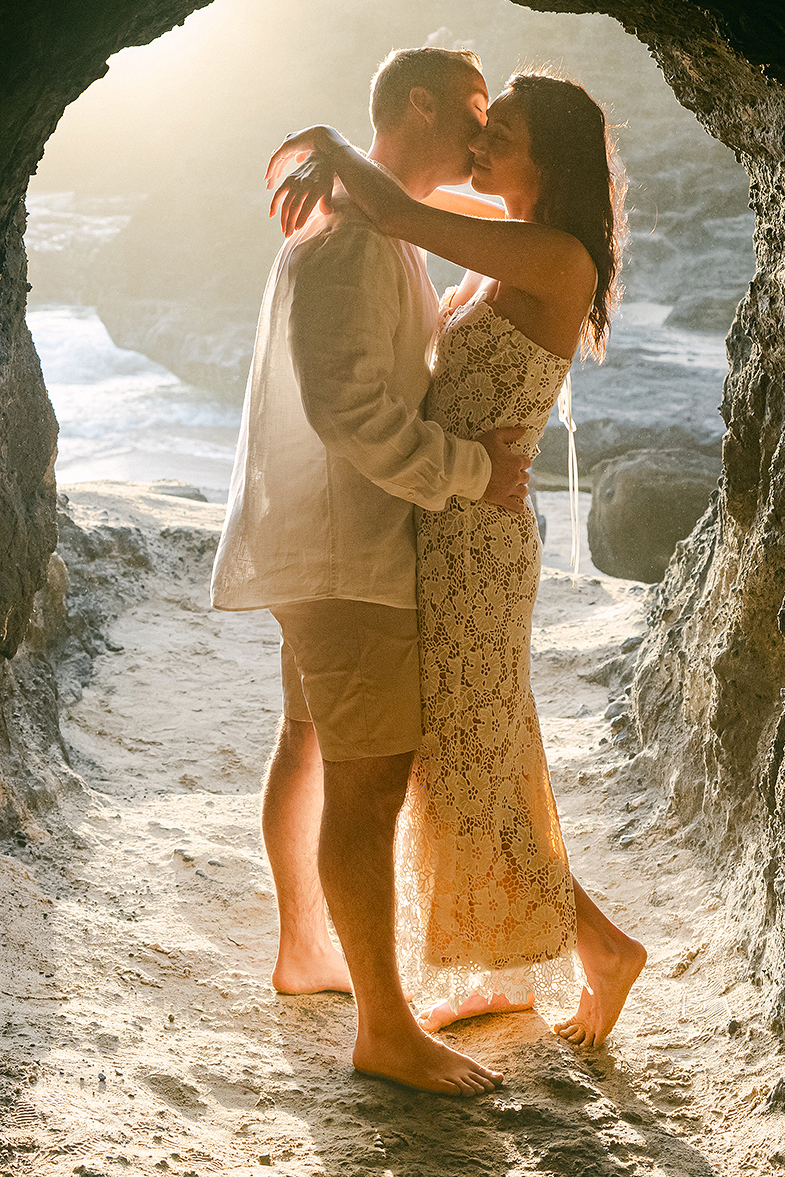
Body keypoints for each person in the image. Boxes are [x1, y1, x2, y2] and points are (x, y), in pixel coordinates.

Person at [267, 68, 647, 1049]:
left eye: (502, 132)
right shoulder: (516, 238)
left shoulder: (551, 255)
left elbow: (399, 205)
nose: (482, 148)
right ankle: (511, 975)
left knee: (473, 761)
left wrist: (329, 138)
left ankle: (600, 950)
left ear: (545, 159)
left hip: (477, 541)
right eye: (482, 127)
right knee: (482, 755)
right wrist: (361, 172)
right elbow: (412, 196)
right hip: (451, 524)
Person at [211, 46, 533, 1096]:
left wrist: (342, 155)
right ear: (421, 105)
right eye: (474, 114)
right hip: (352, 556)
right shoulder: (352, 242)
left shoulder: (374, 228)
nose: (484, 137)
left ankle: (308, 951)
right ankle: (386, 1028)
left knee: (308, 742)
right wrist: (474, 472)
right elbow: (353, 417)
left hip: (328, 550)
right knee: (370, 781)